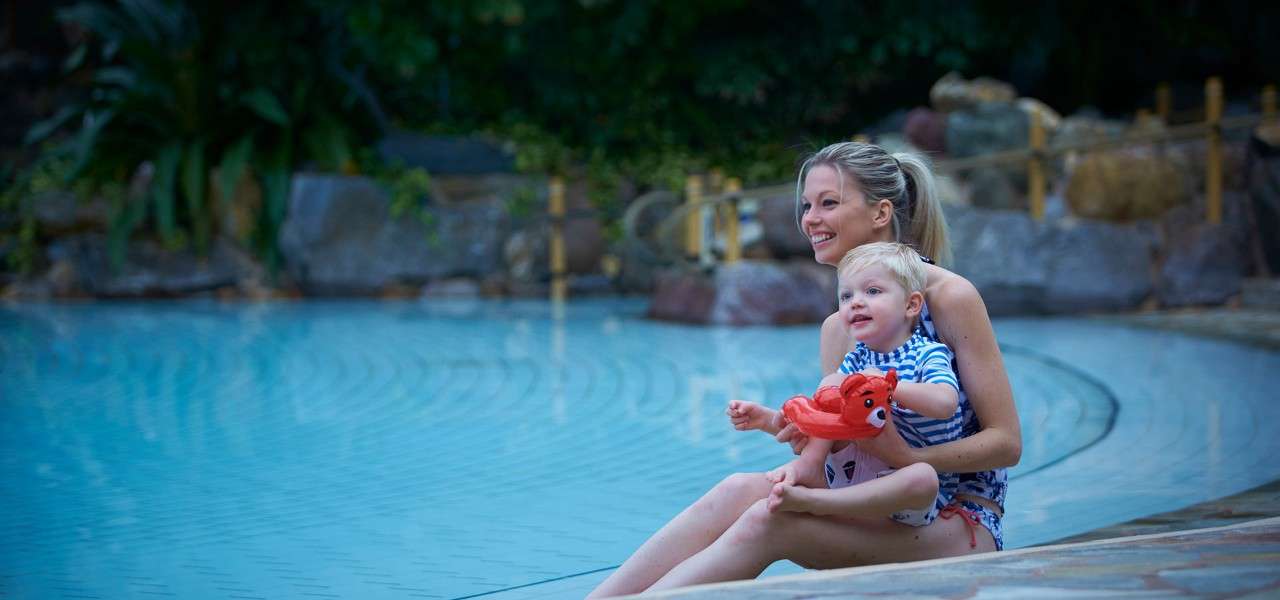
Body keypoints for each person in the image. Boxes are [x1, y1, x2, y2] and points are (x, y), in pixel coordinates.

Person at [587, 141, 1021, 597]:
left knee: (767, 521)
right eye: (807, 205)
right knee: (739, 488)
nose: (809, 219)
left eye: (828, 203)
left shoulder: (948, 297)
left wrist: (910, 460)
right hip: (877, 505)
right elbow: (845, 446)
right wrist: (801, 430)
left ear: (880, 213)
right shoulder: (839, 327)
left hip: (958, 519)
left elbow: (1006, 444)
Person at [731, 242, 963, 529]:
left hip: (909, 495)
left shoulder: (926, 353)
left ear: (911, 305)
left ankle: (817, 502)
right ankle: (810, 467)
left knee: (923, 476)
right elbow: (828, 423)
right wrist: (770, 419)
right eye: (845, 296)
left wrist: (889, 386)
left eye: (873, 291)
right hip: (859, 474)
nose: (855, 302)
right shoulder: (856, 360)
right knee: (832, 386)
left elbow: (945, 403)